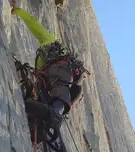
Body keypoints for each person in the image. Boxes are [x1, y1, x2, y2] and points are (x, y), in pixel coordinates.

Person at [11, 1, 86, 133]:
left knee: (46, 96)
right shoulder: (54, 46)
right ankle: (50, 118)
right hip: (59, 72)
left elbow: (34, 25)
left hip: (47, 77)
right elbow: (72, 92)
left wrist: (18, 11)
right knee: (60, 95)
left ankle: (40, 119)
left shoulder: (48, 49)